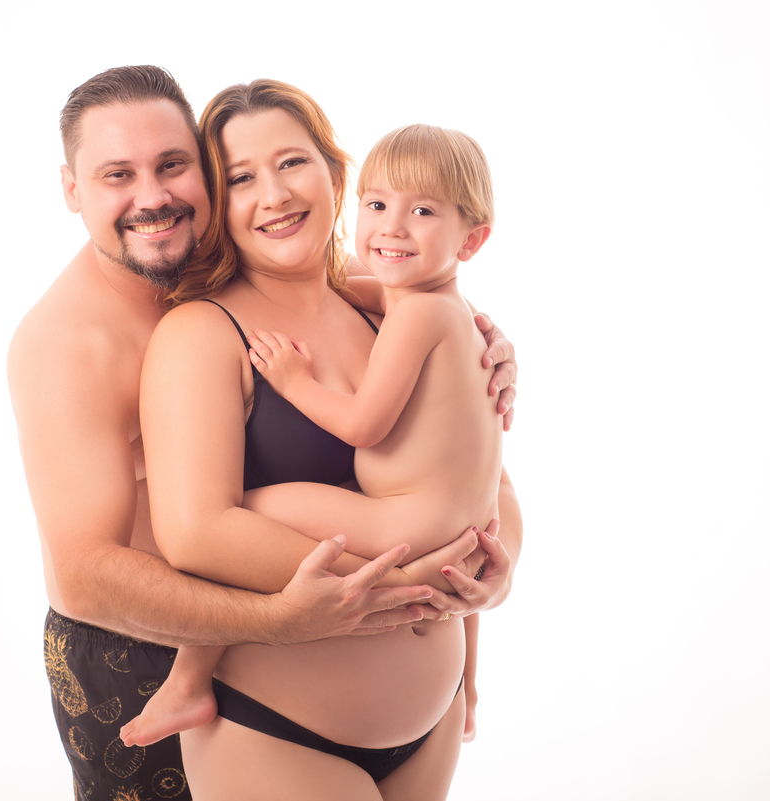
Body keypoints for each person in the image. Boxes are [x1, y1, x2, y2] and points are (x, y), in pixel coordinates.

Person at [7, 66, 520, 800]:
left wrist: (492, 574)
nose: (152, 197)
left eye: (172, 165)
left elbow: (474, 475)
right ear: (71, 188)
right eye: (118, 174)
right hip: (172, 665)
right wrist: (366, 593)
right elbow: (105, 566)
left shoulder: (380, 298)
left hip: (418, 715)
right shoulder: (92, 340)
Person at [121, 123, 502, 755]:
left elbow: (365, 426)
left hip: (407, 560)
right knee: (227, 527)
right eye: (242, 177)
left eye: (422, 212)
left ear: (333, 176)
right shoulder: (428, 308)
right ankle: (473, 687)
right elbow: (200, 533)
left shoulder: (408, 313)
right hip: (289, 724)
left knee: (257, 510)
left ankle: (188, 677)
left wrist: (295, 383)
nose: (393, 227)